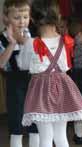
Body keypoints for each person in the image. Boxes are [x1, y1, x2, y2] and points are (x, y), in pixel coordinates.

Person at [19, 0, 82, 147]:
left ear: (32, 19)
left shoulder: (31, 43)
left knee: (45, 137)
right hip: (62, 88)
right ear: (57, 16)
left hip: (40, 91)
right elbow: (67, 66)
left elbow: (23, 65)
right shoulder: (66, 41)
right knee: (61, 135)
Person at [0, 0, 39, 147]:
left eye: (25, 17)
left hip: (34, 81)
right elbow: (1, 64)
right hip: (15, 83)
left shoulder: (34, 34)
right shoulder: (2, 38)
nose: (22, 22)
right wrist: (12, 43)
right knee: (16, 122)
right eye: (17, 18)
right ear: (6, 18)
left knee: (35, 122)